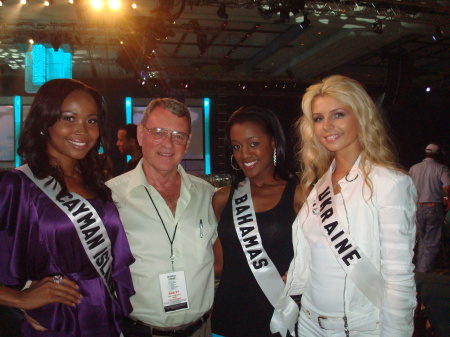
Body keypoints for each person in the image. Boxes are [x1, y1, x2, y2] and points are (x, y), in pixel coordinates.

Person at [282, 75, 417, 336]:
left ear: (361, 116)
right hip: (308, 322)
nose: (326, 126)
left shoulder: (390, 183)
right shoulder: (319, 184)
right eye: (319, 118)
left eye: (338, 114)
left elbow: (399, 278)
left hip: (357, 327)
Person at [0, 78, 135, 336]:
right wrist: (20, 300)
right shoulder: (17, 185)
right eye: (68, 118)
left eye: (91, 120)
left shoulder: (95, 182)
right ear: (45, 122)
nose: (82, 131)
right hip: (58, 319)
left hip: (104, 312)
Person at [106, 98, 217, 337]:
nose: (168, 143)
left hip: (201, 330)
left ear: (187, 143)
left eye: (178, 135)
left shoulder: (207, 195)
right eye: (158, 132)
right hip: (138, 331)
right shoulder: (110, 197)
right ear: (140, 134)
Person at [211, 106, 302, 337]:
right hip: (229, 315)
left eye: (253, 144)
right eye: (236, 146)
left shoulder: (301, 194)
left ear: (273, 142)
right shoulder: (222, 198)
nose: (244, 154)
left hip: (279, 315)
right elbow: (219, 263)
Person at [409, 142, 450, 273]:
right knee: (430, 243)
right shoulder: (441, 168)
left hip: (415, 208)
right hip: (433, 208)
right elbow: (447, 187)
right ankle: (422, 273)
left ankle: (411, 270)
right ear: (437, 155)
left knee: (416, 241)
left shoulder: (414, 168)